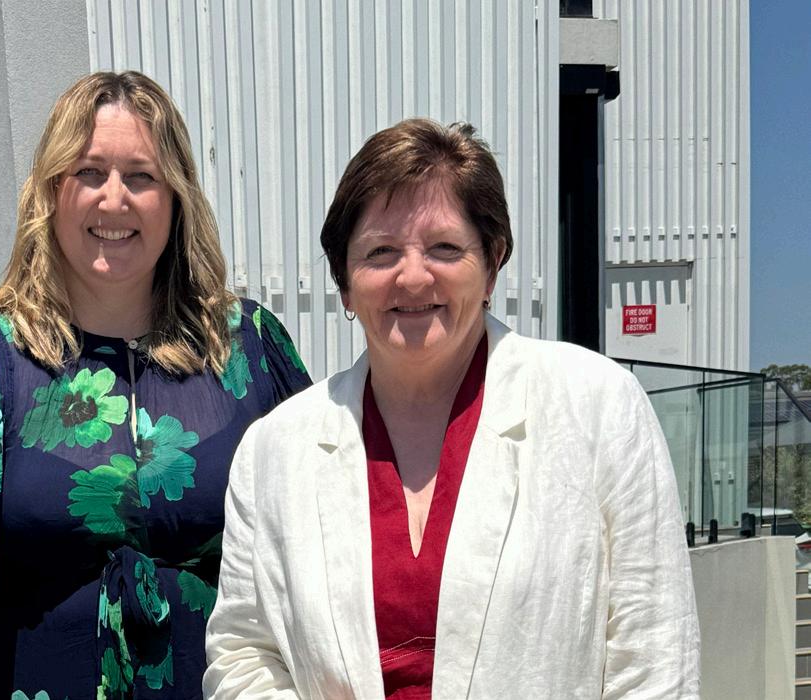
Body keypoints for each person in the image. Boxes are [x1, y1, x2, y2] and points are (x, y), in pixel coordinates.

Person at [0, 71, 311, 700]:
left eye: (142, 177)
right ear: (51, 191)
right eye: (90, 172)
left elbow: (319, 528)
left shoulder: (246, 348)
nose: (114, 199)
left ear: (176, 199)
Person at [203, 118, 699, 698]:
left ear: (491, 262)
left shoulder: (597, 407)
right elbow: (243, 655)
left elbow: (654, 657)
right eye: (381, 252)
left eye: (444, 248)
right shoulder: (273, 451)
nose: (413, 277)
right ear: (345, 281)